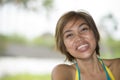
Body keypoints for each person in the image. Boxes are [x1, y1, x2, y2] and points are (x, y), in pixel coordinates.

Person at [51, 10, 120, 80]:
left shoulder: (117, 66)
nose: (79, 38)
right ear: (64, 46)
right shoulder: (63, 72)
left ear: (95, 33)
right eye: (69, 35)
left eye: (84, 29)